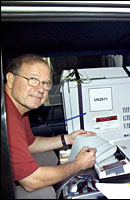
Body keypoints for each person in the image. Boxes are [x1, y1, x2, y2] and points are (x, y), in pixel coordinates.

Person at [4, 54, 98, 199]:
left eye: (46, 83)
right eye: (33, 80)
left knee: (47, 157)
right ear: (11, 80)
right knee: (44, 192)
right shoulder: (6, 116)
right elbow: (30, 182)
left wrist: (68, 139)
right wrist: (79, 164)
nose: (41, 89)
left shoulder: (20, 110)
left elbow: (31, 144)